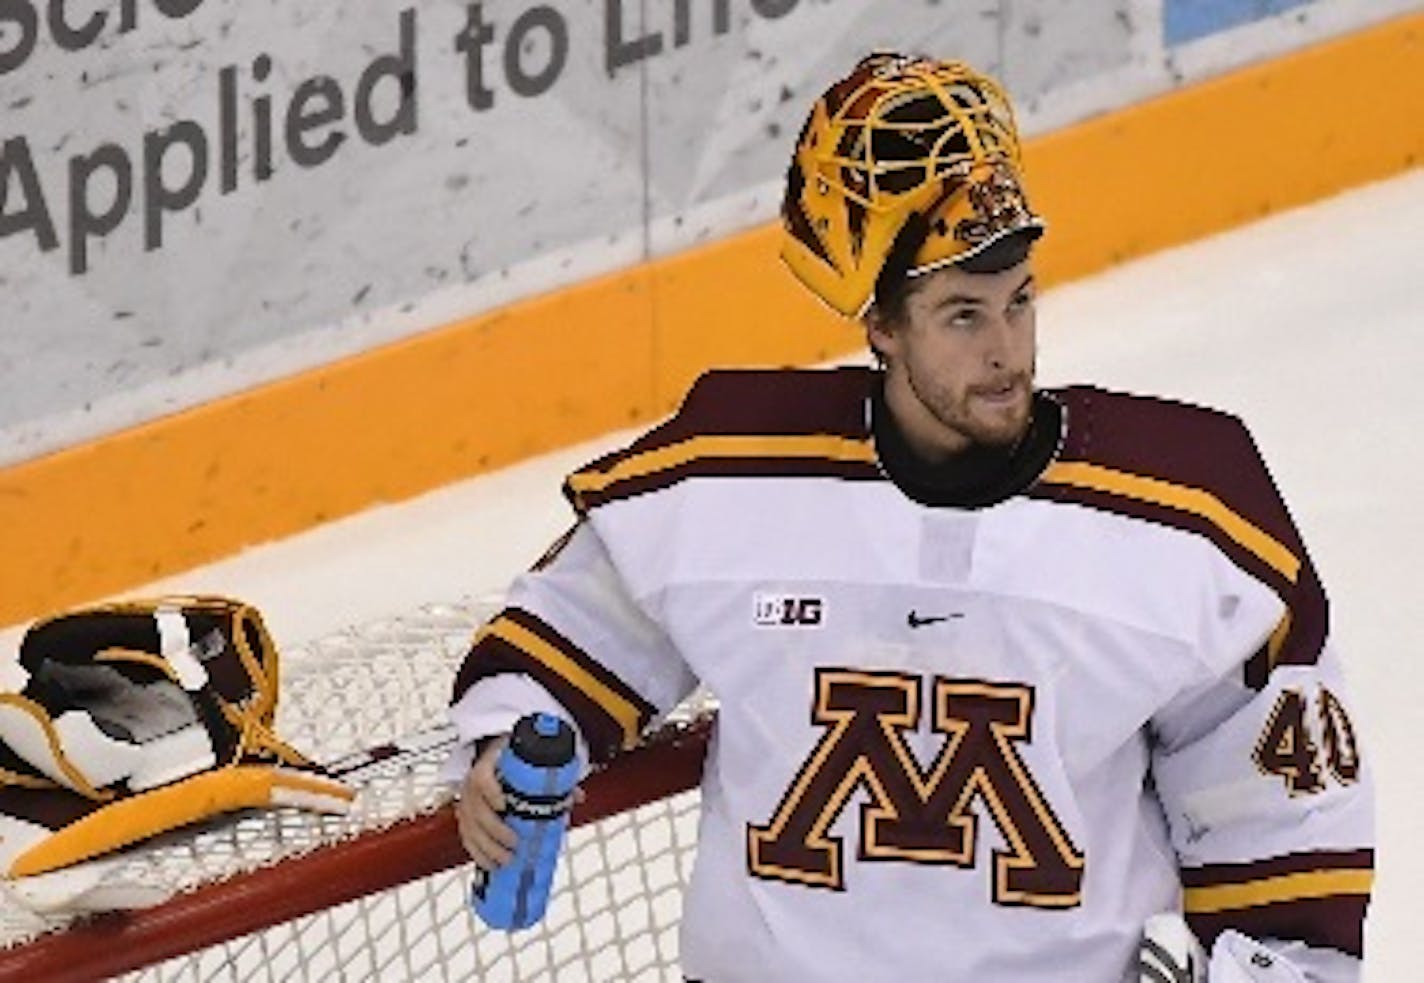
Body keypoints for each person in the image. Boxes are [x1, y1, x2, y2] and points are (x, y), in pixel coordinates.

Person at [447, 53, 1373, 981]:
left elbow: (1286, 821)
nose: (1008, 351)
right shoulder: (728, 481)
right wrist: (511, 742)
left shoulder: (1188, 517)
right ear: (882, 326)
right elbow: (563, 638)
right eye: (963, 315)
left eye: (1020, 302)